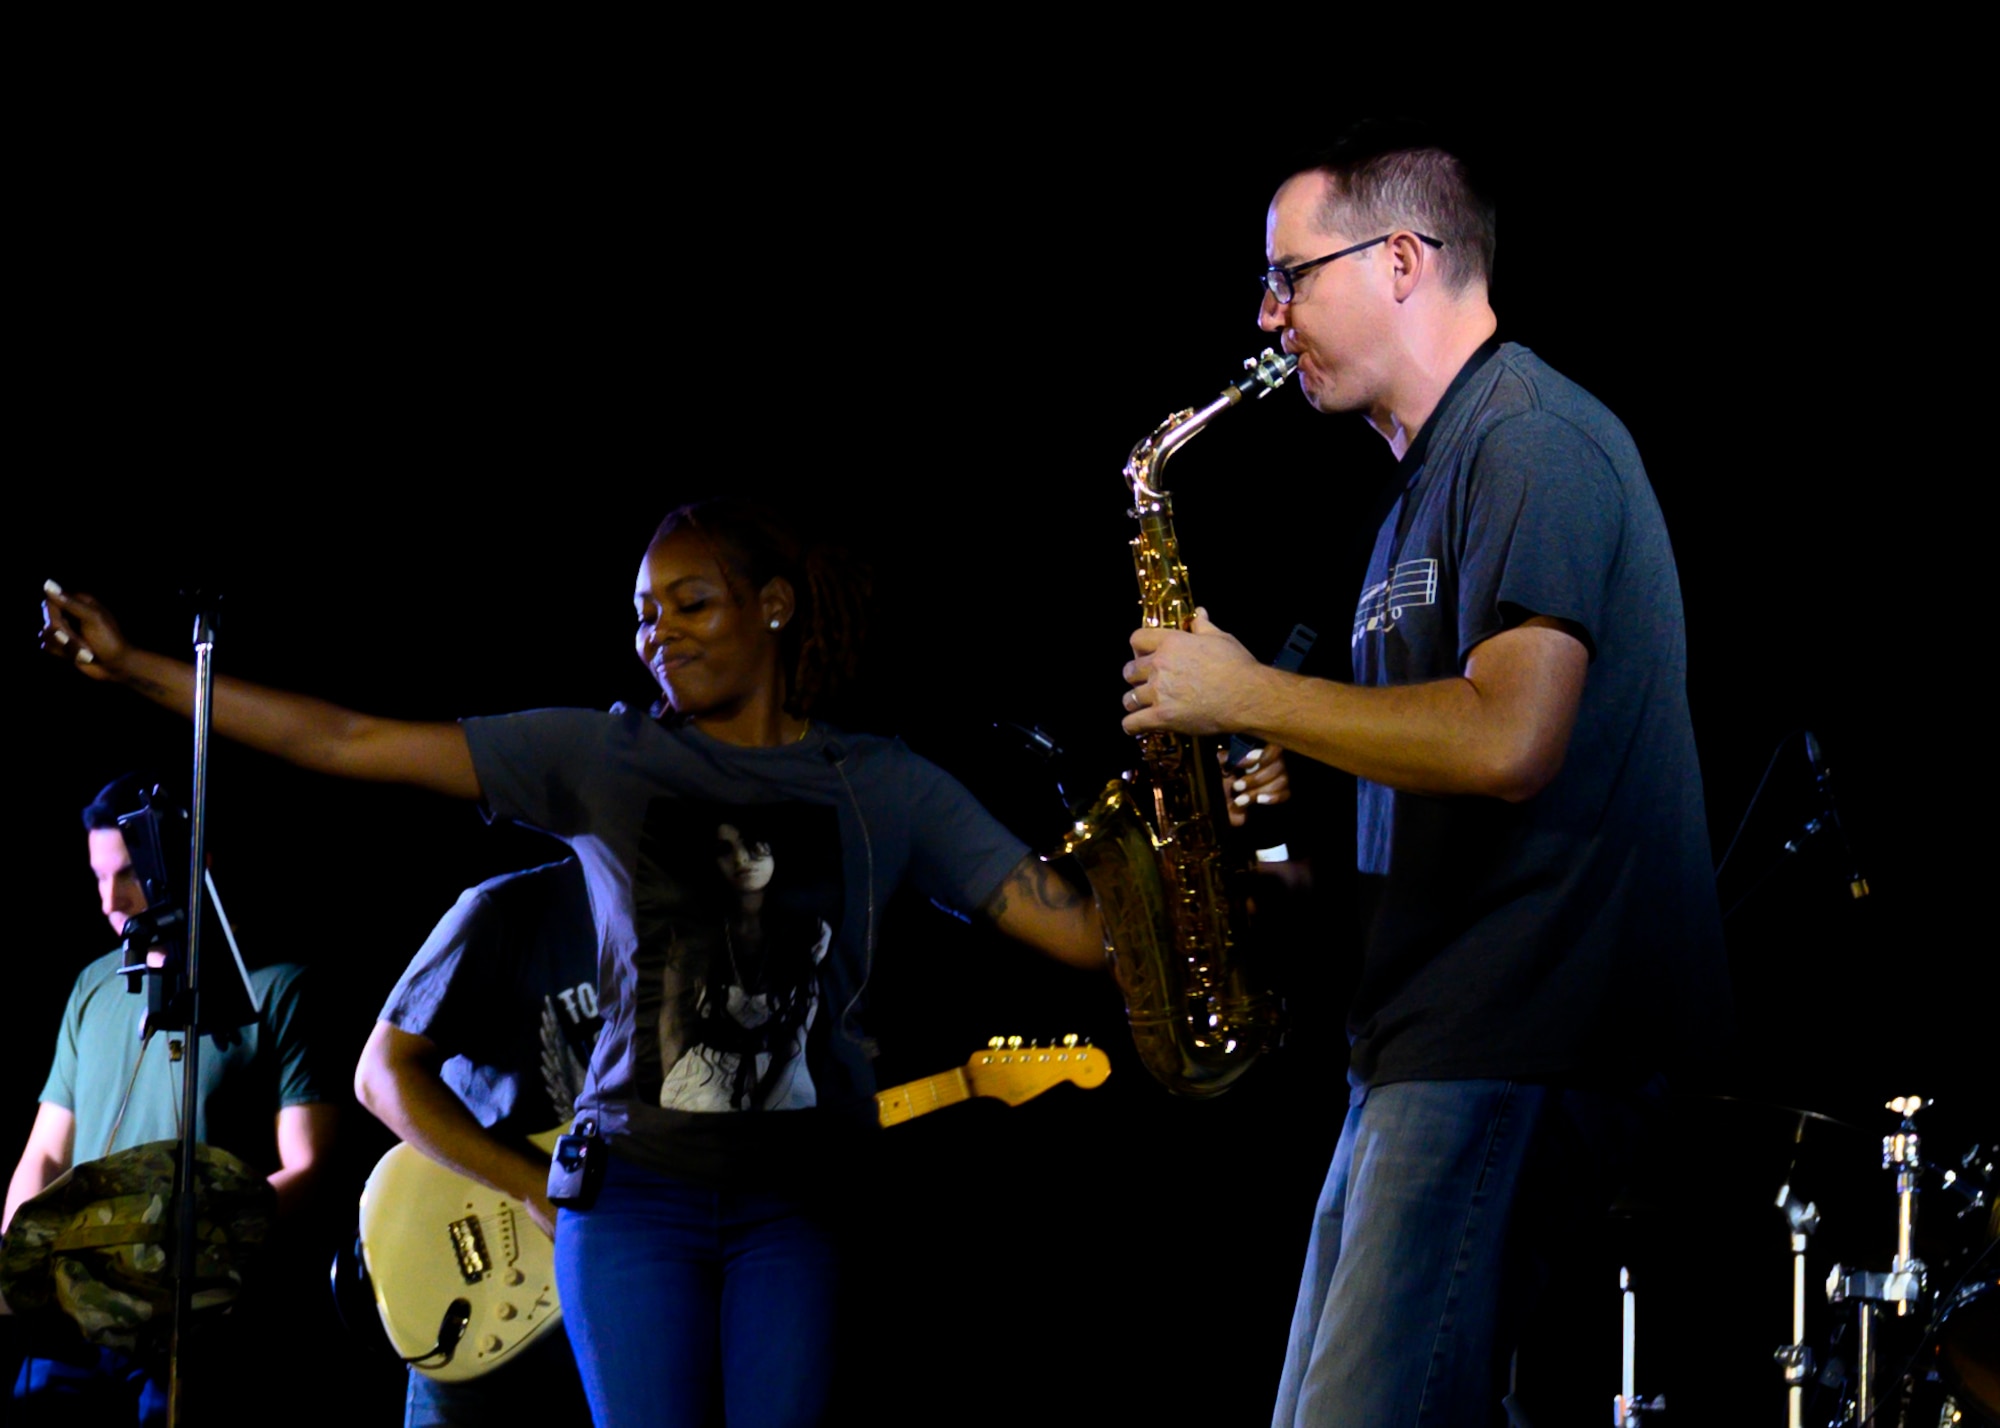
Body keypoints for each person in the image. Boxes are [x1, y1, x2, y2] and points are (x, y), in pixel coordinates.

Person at [38, 499, 1179, 1427]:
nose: (658, 635)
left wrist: (1231, 849)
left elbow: (1081, 935)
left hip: (798, 1204)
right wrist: (141, 670)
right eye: (642, 615)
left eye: (691, 603)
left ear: (774, 608)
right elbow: (350, 739)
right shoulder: (602, 758)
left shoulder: (884, 783)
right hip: (629, 1203)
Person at [1117, 124, 1730, 1426]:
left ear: (1400, 258)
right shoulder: (1409, 497)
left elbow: (1512, 740)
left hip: (1521, 1028)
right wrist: (1281, 824)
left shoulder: (1530, 441)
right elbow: (1436, 782)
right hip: (1422, 1040)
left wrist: (1248, 692)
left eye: (1293, 275)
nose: (1269, 315)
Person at [4, 773, 339, 1425]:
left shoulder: (275, 989)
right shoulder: (93, 986)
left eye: (127, 874)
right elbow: (43, 1154)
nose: (109, 900)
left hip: (201, 1328)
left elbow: (312, 1166)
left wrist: (188, 1244)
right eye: (98, 877)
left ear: (191, 865)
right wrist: (22, 1259)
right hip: (76, 1329)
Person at [354, 857, 599, 1428]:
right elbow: (380, 1075)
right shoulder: (506, 910)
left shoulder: (725, 915)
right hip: (497, 1272)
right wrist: (536, 1188)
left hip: (633, 1288)